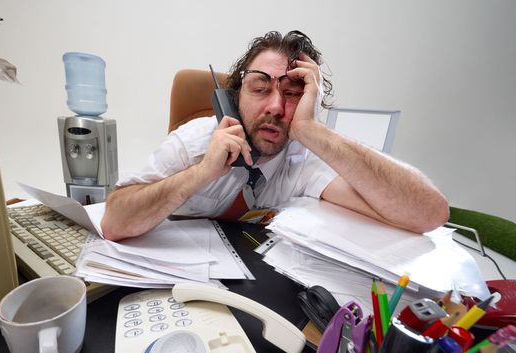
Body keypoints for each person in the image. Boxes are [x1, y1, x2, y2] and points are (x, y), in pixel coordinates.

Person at [101, 30, 448, 242]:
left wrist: (311, 130)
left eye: (293, 93)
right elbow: (114, 223)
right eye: (260, 88)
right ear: (235, 96)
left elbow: (427, 214)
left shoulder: (302, 159)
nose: (276, 107)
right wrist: (201, 172)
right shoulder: (194, 140)